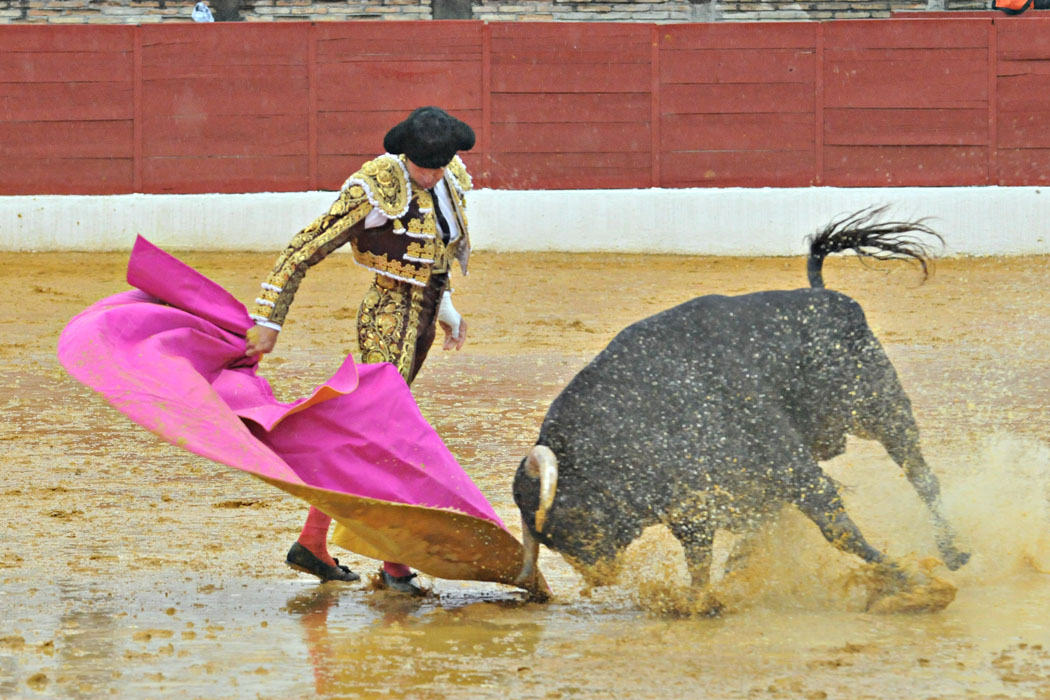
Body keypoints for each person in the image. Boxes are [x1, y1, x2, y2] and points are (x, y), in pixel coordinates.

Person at [244, 106, 476, 595]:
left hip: (423, 319)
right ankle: (393, 565)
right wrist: (268, 320)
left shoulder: (448, 177)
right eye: (423, 167)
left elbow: (436, 246)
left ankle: (312, 541)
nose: (431, 176)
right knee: (386, 442)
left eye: (438, 167)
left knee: (366, 437)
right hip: (388, 319)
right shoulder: (373, 187)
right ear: (405, 154)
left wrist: (447, 304)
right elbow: (303, 248)